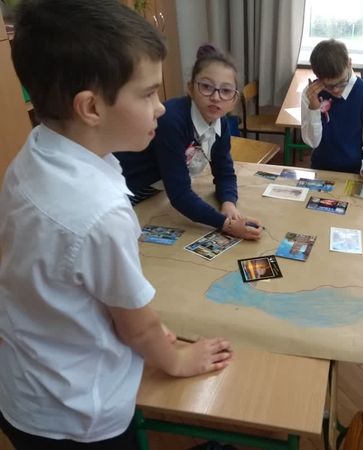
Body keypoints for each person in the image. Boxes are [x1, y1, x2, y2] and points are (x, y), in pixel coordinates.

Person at [0, 1, 232, 449]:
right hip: (76, 412)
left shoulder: (37, 148)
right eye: (147, 94)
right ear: (90, 107)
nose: (161, 109)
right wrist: (177, 359)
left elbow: (64, 279)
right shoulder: (100, 212)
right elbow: (138, 328)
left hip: (25, 383)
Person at [116, 44, 262, 241]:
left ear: (234, 100)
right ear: (191, 88)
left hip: (158, 190)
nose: (216, 97)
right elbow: (179, 193)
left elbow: (224, 171)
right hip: (127, 191)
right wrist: (225, 224)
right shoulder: (171, 121)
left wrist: (228, 203)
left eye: (226, 90)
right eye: (206, 87)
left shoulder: (221, 122)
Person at [301, 39, 363, 189]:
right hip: (321, 169)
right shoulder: (311, 94)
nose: (335, 90)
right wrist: (314, 108)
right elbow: (312, 142)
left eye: (341, 82)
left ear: (349, 63)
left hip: (356, 172)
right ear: (317, 76)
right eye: (328, 86)